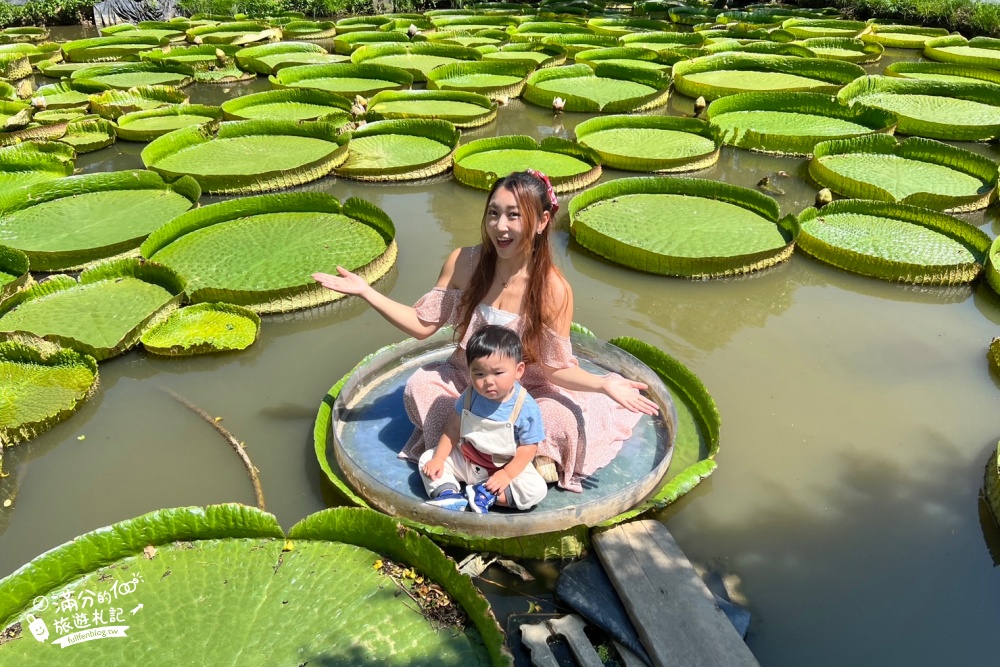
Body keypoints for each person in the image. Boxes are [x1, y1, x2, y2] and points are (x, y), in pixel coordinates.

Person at [313, 169, 658, 493]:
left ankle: (475, 456)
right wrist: (366, 291)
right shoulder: (464, 262)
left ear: (541, 221)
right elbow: (422, 326)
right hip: (468, 378)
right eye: (494, 214)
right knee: (420, 388)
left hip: (528, 391)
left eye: (514, 215)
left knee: (558, 419)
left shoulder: (554, 289)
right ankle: (500, 458)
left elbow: (555, 368)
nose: (500, 227)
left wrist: (602, 384)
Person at [419, 325, 548, 513]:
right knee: (427, 459)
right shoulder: (470, 395)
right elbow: (453, 429)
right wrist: (439, 458)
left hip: (503, 466)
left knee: (535, 490)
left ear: (519, 370)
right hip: (468, 460)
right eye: (479, 374)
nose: (488, 381)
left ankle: (482, 493)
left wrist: (507, 474)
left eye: (498, 373)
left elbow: (529, 448)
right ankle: (449, 495)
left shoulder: (525, 406)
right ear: (469, 371)